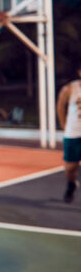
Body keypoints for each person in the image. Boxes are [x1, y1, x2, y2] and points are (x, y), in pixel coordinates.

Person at [56, 62, 81, 203]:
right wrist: (63, 124)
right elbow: (60, 105)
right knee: (71, 167)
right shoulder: (70, 88)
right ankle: (71, 184)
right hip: (73, 133)